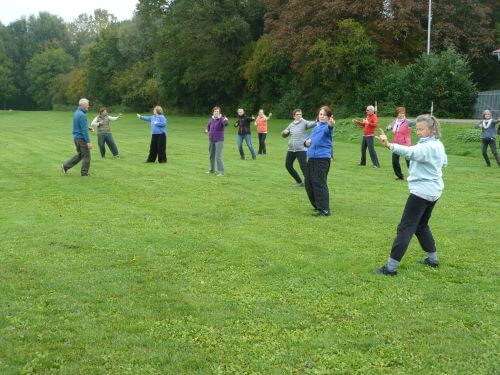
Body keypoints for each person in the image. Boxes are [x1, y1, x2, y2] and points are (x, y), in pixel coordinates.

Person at [373, 114, 448, 276]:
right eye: (417, 129)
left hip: (422, 193)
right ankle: (433, 259)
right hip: (434, 192)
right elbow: (444, 163)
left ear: (432, 129)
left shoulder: (428, 147)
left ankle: (390, 268)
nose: (418, 132)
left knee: (405, 228)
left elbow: (411, 152)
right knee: (421, 225)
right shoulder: (437, 144)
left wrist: (389, 145)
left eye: (421, 129)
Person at [304, 106, 335, 217]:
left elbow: (330, 129)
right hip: (312, 158)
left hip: (322, 159)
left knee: (319, 183)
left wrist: (331, 124)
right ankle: (318, 205)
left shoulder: (327, 127)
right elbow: (308, 139)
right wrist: (305, 142)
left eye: (324, 115)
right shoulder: (316, 127)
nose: (322, 116)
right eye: (320, 114)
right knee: (308, 182)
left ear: (329, 117)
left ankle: (325, 210)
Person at [281, 109, 316, 187]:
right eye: (297, 114)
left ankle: (310, 184)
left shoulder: (304, 122)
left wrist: (318, 120)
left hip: (301, 149)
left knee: (304, 168)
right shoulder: (291, 124)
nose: (299, 116)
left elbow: (312, 124)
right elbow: (283, 135)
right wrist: (284, 132)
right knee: (288, 165)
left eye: (300, 114)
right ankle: (299, 182)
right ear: (294, 116)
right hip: (291, 149)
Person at [61, 98, 93, 176]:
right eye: (87, 105)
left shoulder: (77, 113)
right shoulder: (82, 115)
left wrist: (88, 127)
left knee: (80, 155)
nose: (88, 106)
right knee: (86, 156)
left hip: (77, 138)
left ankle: (65, 166)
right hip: (81, 139)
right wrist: (88, 142)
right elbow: (84, 131)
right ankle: (84, 173)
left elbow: (80, 126)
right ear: (83, 105)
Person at [386, 106, 416, 179]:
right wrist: (388, 127)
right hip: (396, 144)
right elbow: (388, 127)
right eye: (400, 113)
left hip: (406, 145)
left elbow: (415, 123)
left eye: (403, 113)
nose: (402, 114)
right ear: (397, 114)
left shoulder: (407, 122)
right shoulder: (395, 122)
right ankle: (400, 176)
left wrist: (424, 121)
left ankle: (414, 176)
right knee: (395, 162)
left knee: (409, 162)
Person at [205, 106, 229, 176]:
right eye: (215, 111)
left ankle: (221, 172)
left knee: (218, 156)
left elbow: (226, 124)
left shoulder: (221, 119)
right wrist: (206, 130)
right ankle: (212, 170)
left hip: (219, 140)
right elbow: (207, 126)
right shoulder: (211, 119)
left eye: (218, 111)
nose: (216, 113)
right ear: (213, 112)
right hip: (211, 139)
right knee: (211, 155)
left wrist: (226, 121)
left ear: (219, 112)